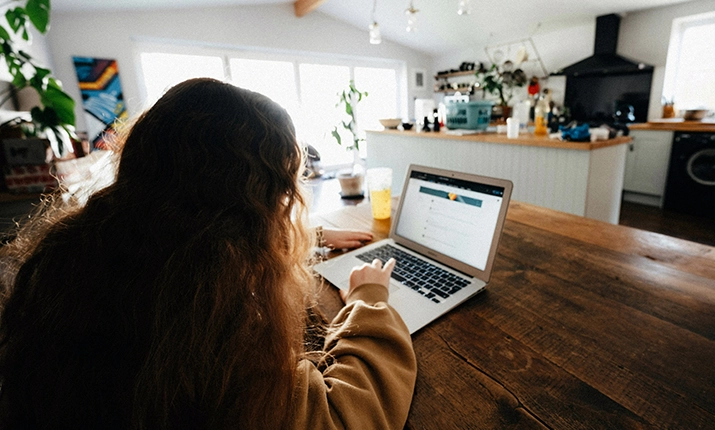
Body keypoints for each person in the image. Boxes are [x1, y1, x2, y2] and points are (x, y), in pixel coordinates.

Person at [0, 78, 416, 429]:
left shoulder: (82, 254)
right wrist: (370, 301)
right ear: (253, 209)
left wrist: (314, 235)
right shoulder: (207, 326)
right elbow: (343, 417)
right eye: (279, 193)